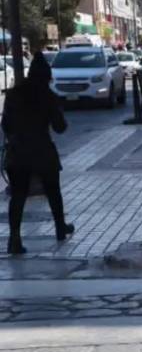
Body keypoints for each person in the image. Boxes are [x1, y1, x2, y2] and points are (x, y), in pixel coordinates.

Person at [1, 52, 73, 255]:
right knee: (53, 191)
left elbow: (5, 124)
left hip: (18, 151)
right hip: (42, 150)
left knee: (18, 196)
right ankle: (60, 227)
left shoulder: (13, 95)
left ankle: (14, 238)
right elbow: (60, 128)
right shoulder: (48, 96)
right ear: (47, 77)